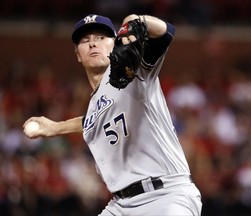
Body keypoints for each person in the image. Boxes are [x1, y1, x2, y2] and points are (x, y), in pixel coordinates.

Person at [23, 13, 202, 215]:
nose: (93, 44)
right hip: (121, 205)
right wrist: (56, 127)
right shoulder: (94, 105)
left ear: (114, 42)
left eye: (101, 38)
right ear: (77, 54)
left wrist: (139, 22)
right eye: (85, 40)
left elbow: (165, 33)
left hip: (166, 195)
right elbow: (91, 121)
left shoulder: (132, 71)